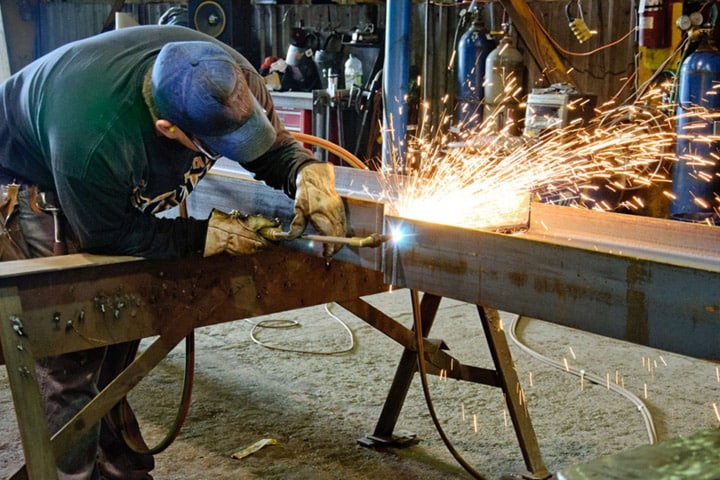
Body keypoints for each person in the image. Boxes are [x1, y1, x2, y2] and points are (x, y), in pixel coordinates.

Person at [0, 25, 347, 479]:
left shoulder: (230, 76)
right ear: (168, 128)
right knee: (74, 350)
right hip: (40, 187)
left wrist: (302, 171)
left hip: (98, 168)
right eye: (218, 148)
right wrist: (206, 237)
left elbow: (268, 150)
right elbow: (111, 235)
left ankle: (115, 464)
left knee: (118, 333)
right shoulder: (93, 138)